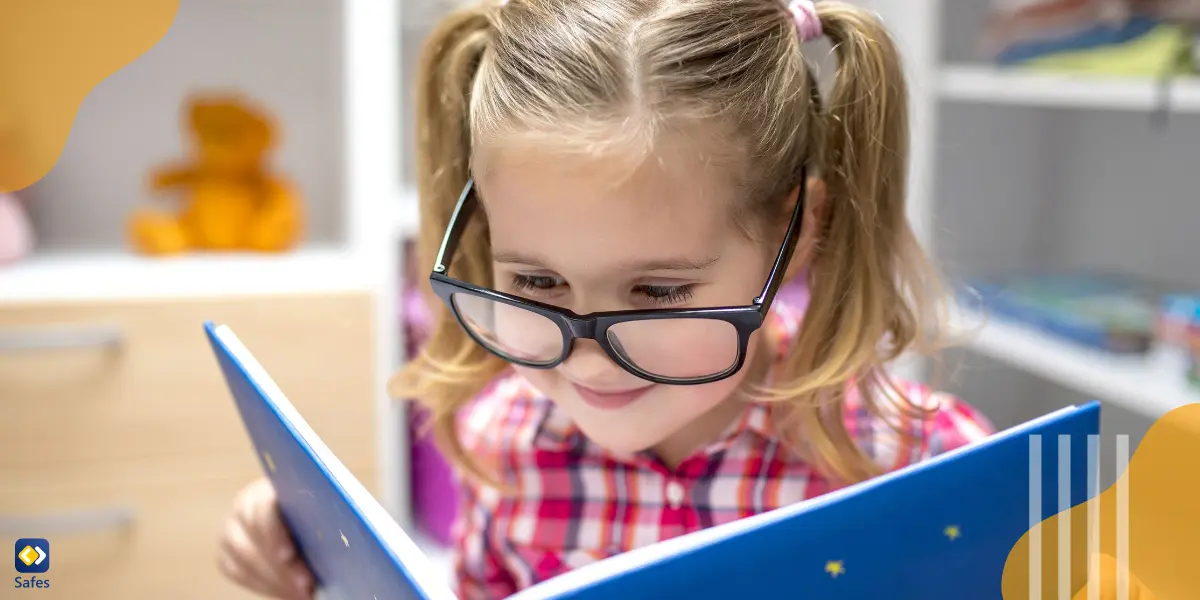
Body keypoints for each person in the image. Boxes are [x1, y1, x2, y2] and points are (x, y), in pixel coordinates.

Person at [216, 1, 997, 598]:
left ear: (797, 235)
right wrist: (312, 549)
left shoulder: (922, 464)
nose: (584, 355)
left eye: (656, 292)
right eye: (536, 282)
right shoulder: (505, 446)